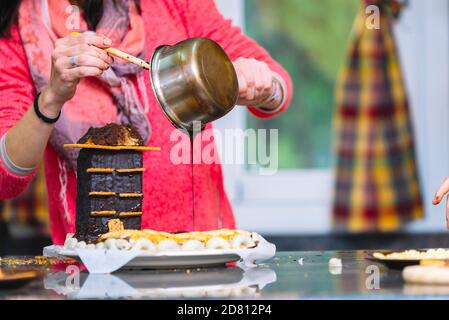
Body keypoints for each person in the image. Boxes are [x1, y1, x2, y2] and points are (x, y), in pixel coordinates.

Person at [0, 0, 292, 244]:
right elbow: (6, 178)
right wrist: (51, 97)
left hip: (203, 252)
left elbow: (279, 87)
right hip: (95, 271)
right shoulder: (19, 30)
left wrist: (261, 85)